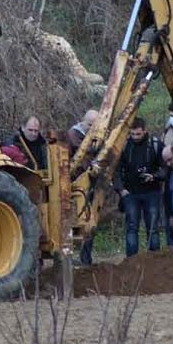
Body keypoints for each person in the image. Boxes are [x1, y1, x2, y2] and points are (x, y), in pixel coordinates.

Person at [113, 118, 164, 257]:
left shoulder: (155, 145)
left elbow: (165, 167)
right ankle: (131, 260)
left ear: (145, 131)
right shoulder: (124, 146)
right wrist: (121, 189)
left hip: (151, 191)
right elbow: (115, 170)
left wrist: (154, 176)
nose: (135, 137)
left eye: (138, 134)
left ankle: (155, 258)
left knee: (153, 227)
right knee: (131, 227)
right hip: (130, 192)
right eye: (132, 134)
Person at [65, 109, 99, 265]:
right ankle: (68, 257)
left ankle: (86, 257)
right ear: (83, 121)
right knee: (72, 221)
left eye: (95, 125)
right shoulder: (74, 135)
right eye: (90, 125)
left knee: (89, 221)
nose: (92, 128)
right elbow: (84, 152)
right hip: (75, 185)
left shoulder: (96, 136)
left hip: (89, 184)